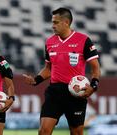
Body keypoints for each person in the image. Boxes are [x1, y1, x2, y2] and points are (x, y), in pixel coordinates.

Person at [23, 7, 100, 135]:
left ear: (66, 22)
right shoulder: (49, 42)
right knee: (43, 131)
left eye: (56, 22)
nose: (52, 26)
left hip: (76, 92)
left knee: (76, 132)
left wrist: (93, 86)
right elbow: (48, 69)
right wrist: (36, 80)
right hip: (55, 92)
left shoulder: (84, 40)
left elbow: (96, 67)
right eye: (52, 22)